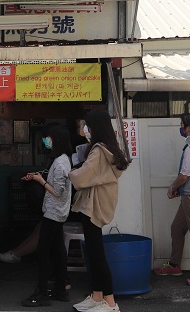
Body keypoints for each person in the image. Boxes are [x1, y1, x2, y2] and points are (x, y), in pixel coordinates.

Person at [70, 110, 129, 312]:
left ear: (94, 127)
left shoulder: (98, 151)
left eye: (86, 125)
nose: (84, 129)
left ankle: (110, 302)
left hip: (92, 207)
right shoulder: (110, 149)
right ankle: (96, 296)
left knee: (96, 255)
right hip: (100, 204)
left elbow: (82, 176)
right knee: (94, 252)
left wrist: (70, 172)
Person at [153, 113, 190, 288]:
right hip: (187, 195)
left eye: (182, 125)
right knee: (177, 228)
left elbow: (185, 175)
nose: (180, 128)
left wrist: (172, 187)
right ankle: (175, 265)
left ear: (189, 127)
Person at [21, 124, 72, 307]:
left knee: (43, 251)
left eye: (49, 138)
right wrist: (38, 176)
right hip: (59, 212)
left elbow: (57, 191)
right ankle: (60, 289)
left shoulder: (59, 163)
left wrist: (40, 181)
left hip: (53, 212)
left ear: (56, 140)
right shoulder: (63, 159)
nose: (46, 141)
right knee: (58, 250)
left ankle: (42, 292)